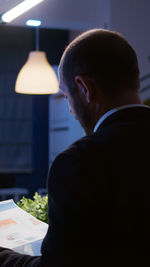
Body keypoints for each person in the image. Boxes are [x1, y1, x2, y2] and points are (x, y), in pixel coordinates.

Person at [0, 28, 150, 266]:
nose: (70, 109)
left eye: (66, 96)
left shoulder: (80, 162)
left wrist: (6, 256)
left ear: (85, 89)